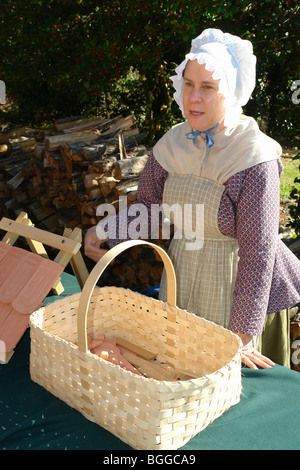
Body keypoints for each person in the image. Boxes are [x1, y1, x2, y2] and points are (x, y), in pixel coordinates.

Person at [85, 28, 300, 370]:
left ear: (229, 93)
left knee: (225, 382)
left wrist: (240, 337)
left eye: (208, 87)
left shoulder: (253, 156)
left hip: (239, 291)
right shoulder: (173, 144)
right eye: (188, 84)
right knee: (179, 369)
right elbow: (151, 208)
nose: (194, 98)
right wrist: (107, 228)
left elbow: (258, 254)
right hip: (184, 273)